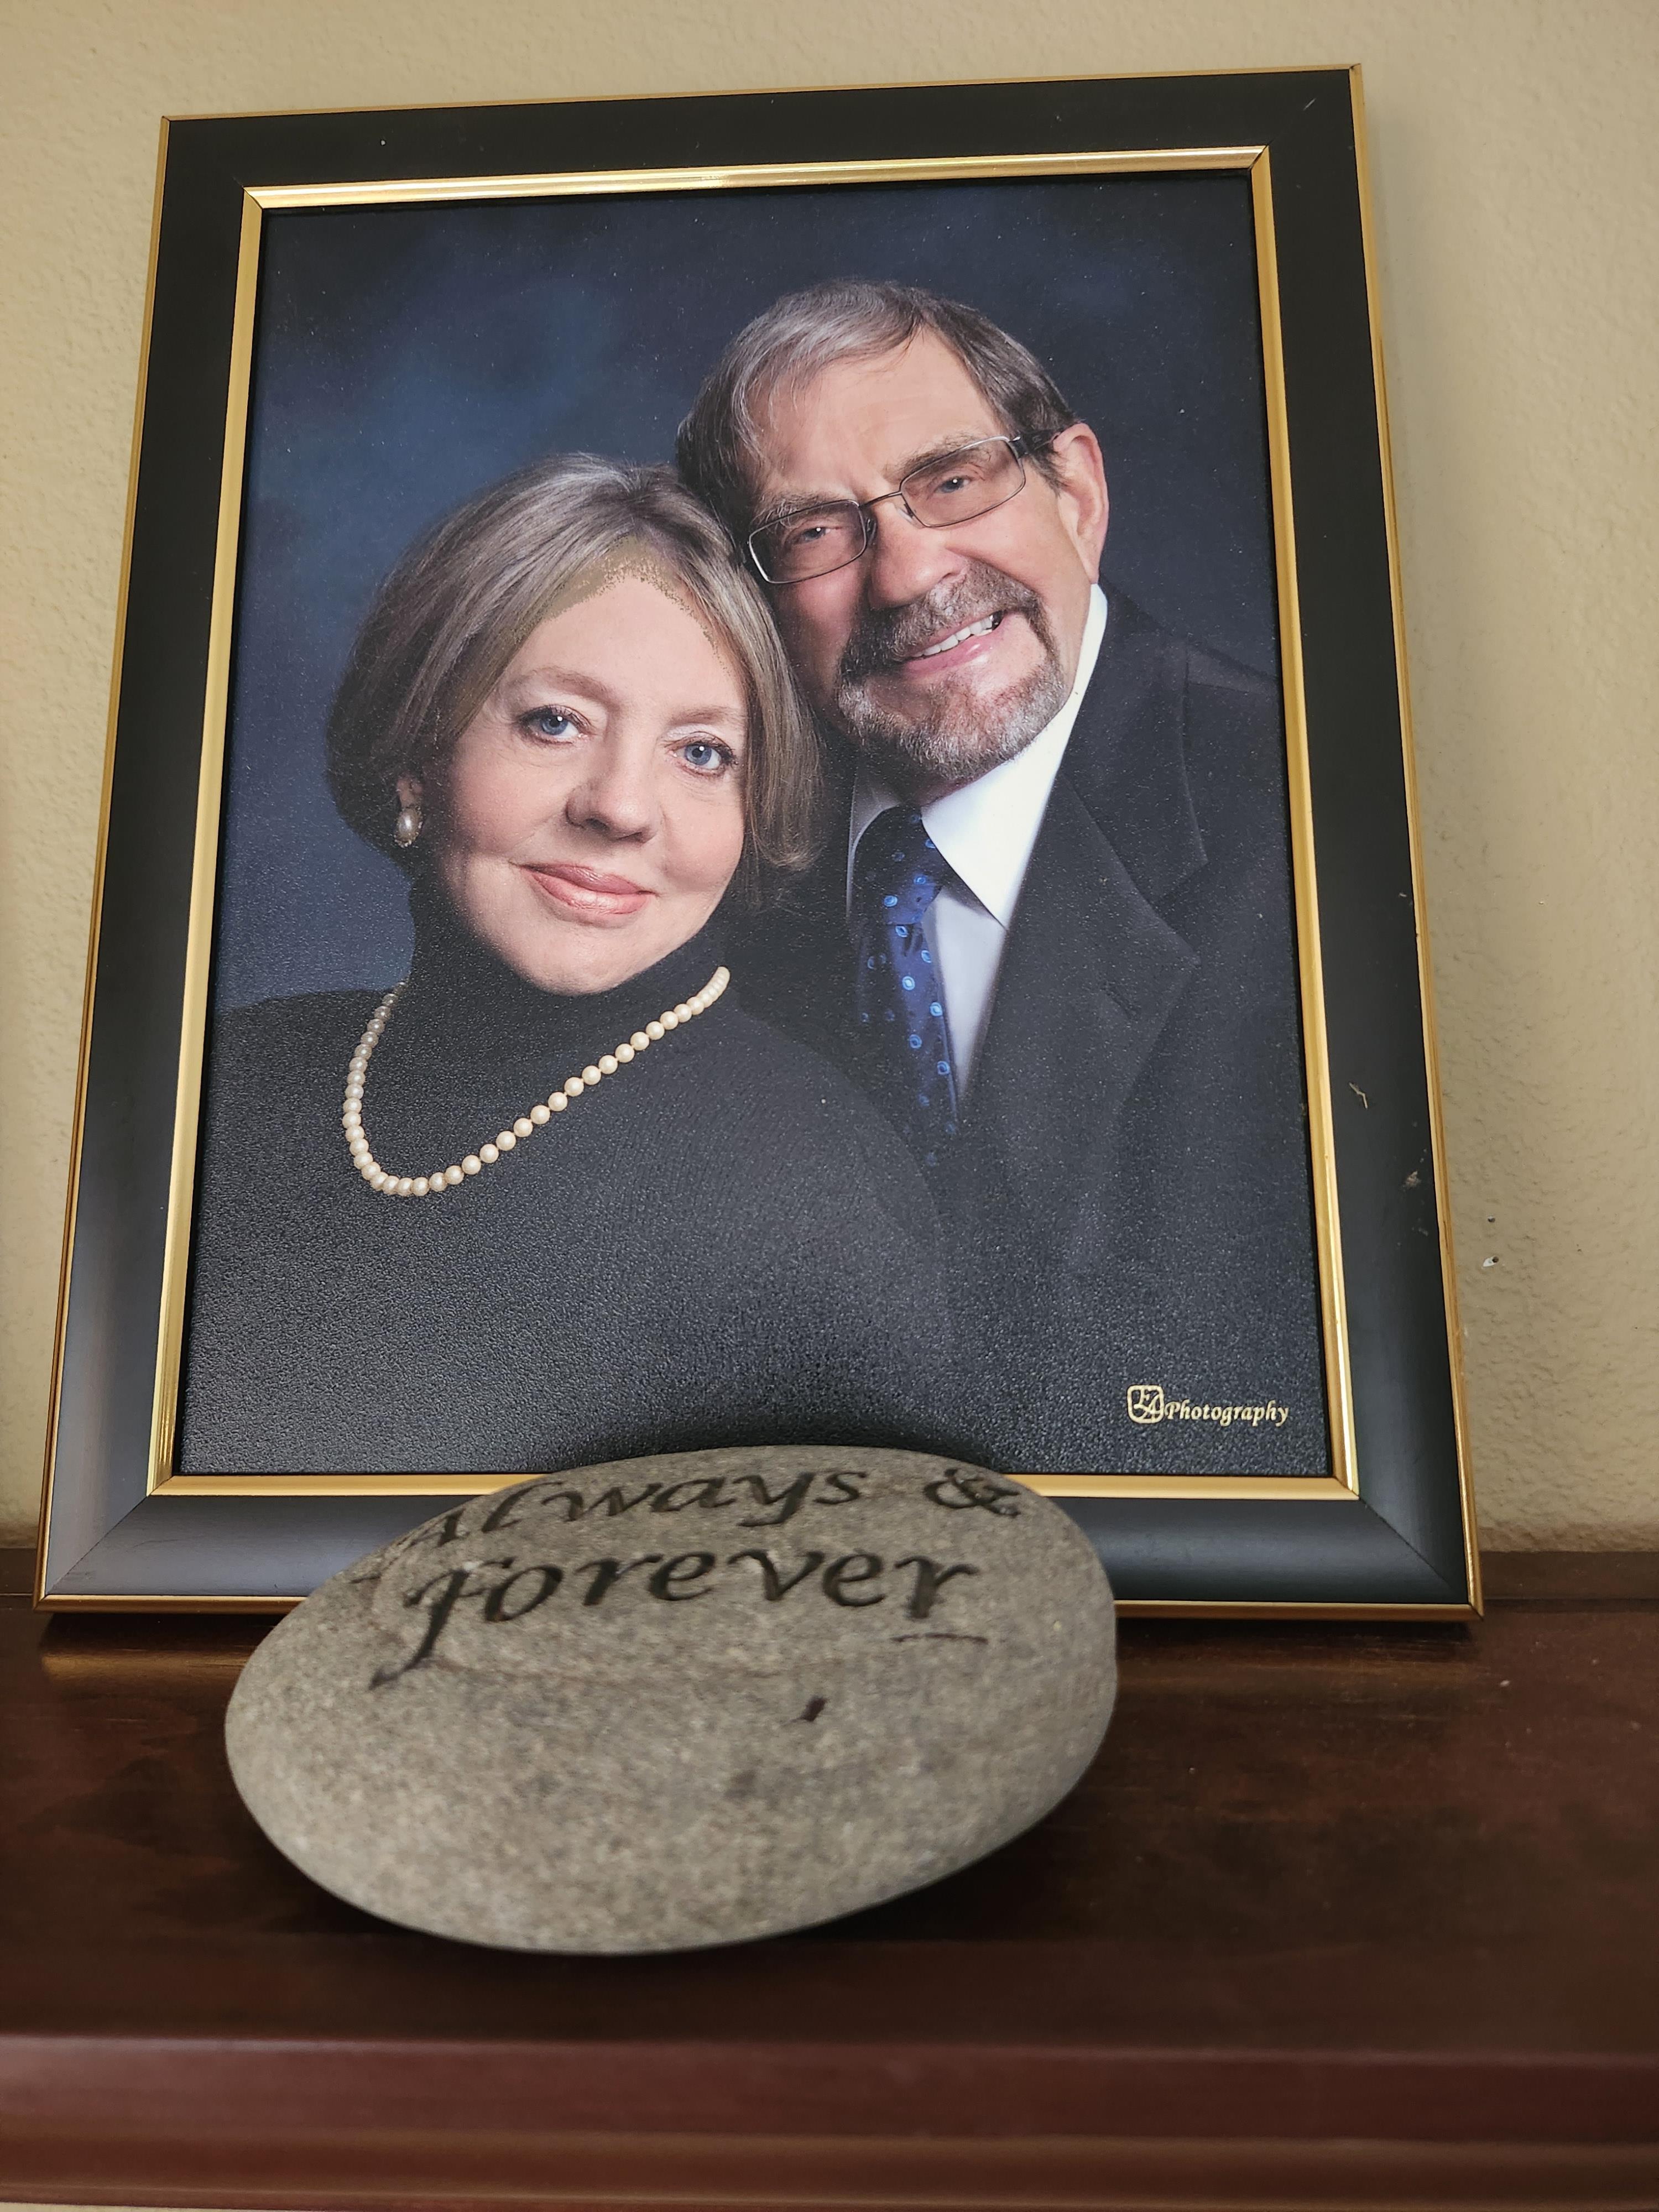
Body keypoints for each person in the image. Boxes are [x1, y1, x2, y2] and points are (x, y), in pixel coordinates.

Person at [177, 456, 956, 1476]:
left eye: (703, 753)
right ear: (419, 752)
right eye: (556, 723)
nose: (620, 807)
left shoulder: (816, 1193)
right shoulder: (230, 1079)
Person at [676, 282, 1330, 1476]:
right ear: (752, 601)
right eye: (815, 532)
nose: (909, 573)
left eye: (952, 479)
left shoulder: (1312, 822)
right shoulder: (696, 864)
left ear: (1075, 491)